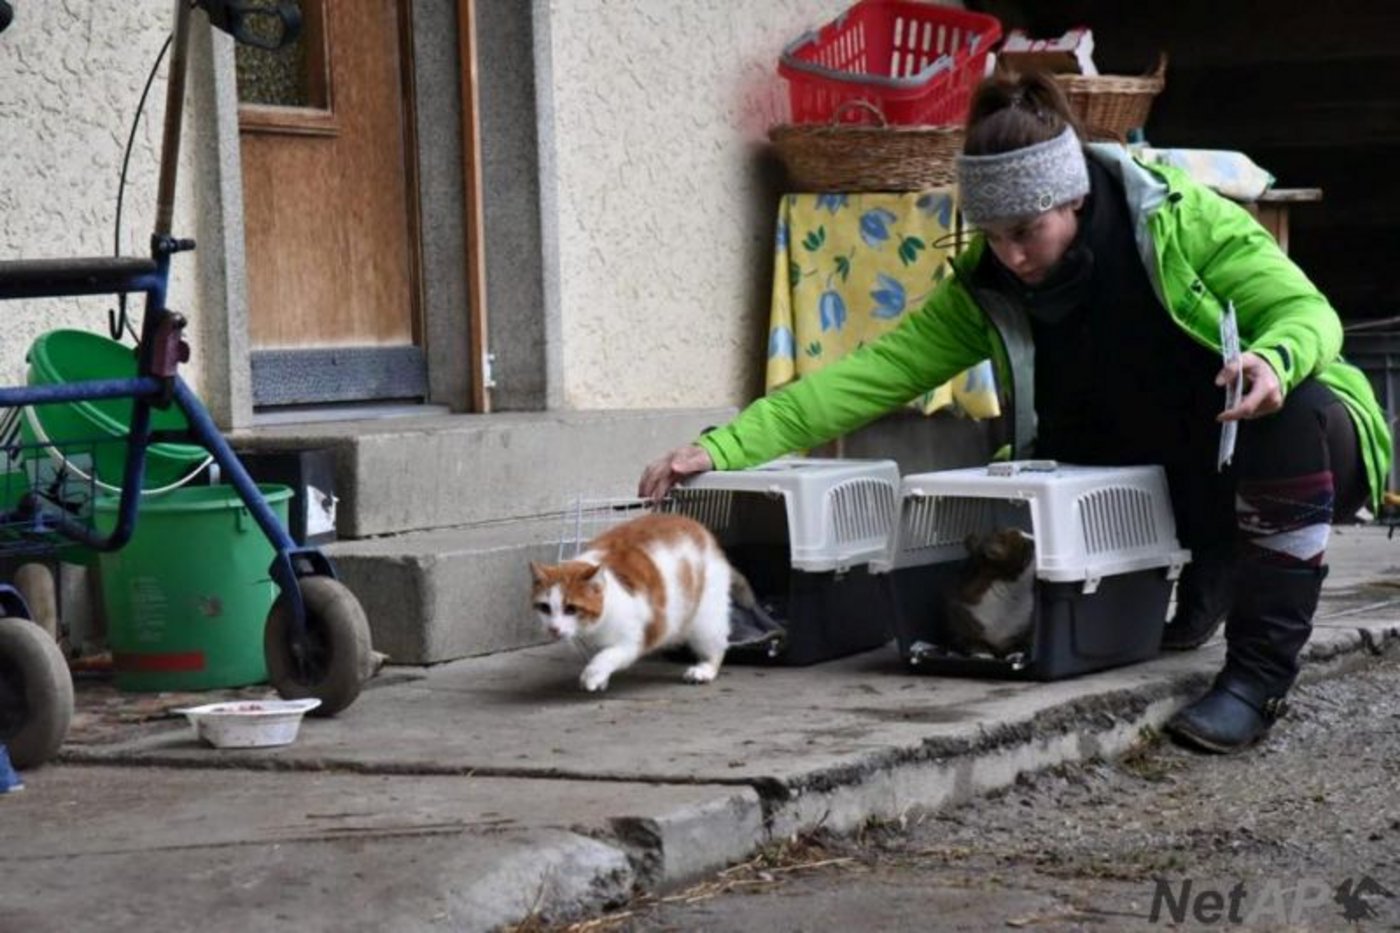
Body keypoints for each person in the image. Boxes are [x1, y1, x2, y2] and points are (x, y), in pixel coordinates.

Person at [639, 69, 1392, 755]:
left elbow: (1308, 313)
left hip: (1304, 449)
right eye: (992, 236)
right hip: (1173, 472)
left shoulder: (1181, 221)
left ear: (1074, 198)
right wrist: (725, 447)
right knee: (1060, 454)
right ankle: (1211, 559)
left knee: (1286, 411)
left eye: (1026, 231)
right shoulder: (989, 287)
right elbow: (867, 376)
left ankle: (1256, 680)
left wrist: (1273, 360)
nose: (1012, 257)